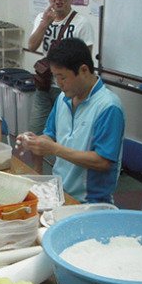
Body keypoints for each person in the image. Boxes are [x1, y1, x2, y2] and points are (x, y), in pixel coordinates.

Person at [17, 38, 125, 203]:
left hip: (89, 201)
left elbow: (102, 162)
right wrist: (36, 141)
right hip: (59, 191)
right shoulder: (63, 98)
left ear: (83, 70)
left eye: (62, 77)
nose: (58, 84)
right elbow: (50, 134)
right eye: (55, 77)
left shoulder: (108, 107)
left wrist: (54, 149)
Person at [28, 0, 94, 172]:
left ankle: (63, 175)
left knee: (66, 136)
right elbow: (32, 45)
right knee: (36, 132)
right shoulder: (42, 18)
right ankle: (38, 173)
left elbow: (86, 61)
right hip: (45, 84)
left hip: (69, 91)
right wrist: (44, 24)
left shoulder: (81, 23)